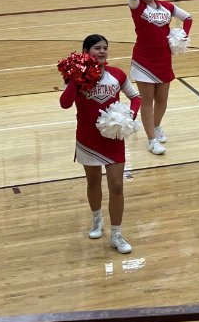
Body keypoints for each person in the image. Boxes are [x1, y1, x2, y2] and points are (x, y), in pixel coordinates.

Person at [59, 34, 141, 254]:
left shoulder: (117, 75)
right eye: (97, 48)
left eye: (105, 48)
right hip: (87, 138)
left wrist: (128, 118)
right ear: (86, 52)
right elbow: (65, 104)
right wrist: (76, 79)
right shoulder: (75, 76)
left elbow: (136, 97)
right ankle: (97, 220)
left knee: (116, 185)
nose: (103, 51)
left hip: (113, 139)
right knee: (93, 183)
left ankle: (117, 234)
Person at [126, 0, 192, 154]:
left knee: (162, 100)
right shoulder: (137, 6)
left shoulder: (167, 7)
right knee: (147, 101)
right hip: (143, 58)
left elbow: (188, 17)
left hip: (163, 58)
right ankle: (151, 140)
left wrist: (182, 36)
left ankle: (155, 126)